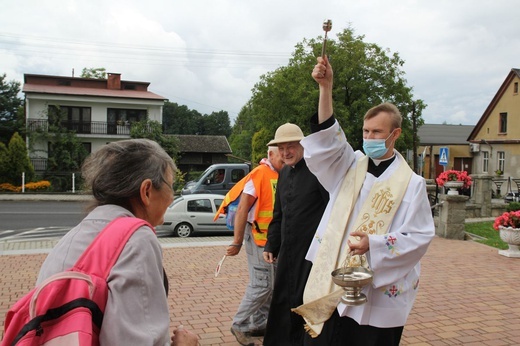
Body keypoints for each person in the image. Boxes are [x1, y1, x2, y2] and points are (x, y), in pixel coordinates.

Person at [292, 56, 435, 346]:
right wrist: (326, 88)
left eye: (377, 132)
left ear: (395, 135)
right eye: (366, 131)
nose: (369, 137)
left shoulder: (412, 184)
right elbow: (328, 138)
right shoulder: (349, 165)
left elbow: (419, 236)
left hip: (377, 287)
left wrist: (375, 244)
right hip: (333, 277)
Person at [36, 139, 199, 346]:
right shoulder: (137, 239)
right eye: (171, 185)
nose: (172, 196)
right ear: (147, 191)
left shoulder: (72, 238)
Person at [262, 123, 329, 346]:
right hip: (288, 253)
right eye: (281, 148)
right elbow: (278, 213)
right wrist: (272, 243)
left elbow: (332, 210)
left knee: (306, 301)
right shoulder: (283, 174)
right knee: (283, 301)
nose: (285, 152)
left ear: (302, 146)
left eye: (291, 146)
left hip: (312, 255)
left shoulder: (318, 172)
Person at [214, 146, 284, 346]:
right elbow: (242, 209)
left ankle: (259, 324)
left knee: (272, 284)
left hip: (270, 239)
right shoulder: (259, 175)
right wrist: (236, 242)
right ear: (271, 155)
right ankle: (240, 324)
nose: (286, 158)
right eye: (282, 153)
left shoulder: (280, 174)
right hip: (257, 237)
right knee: (263, 284)